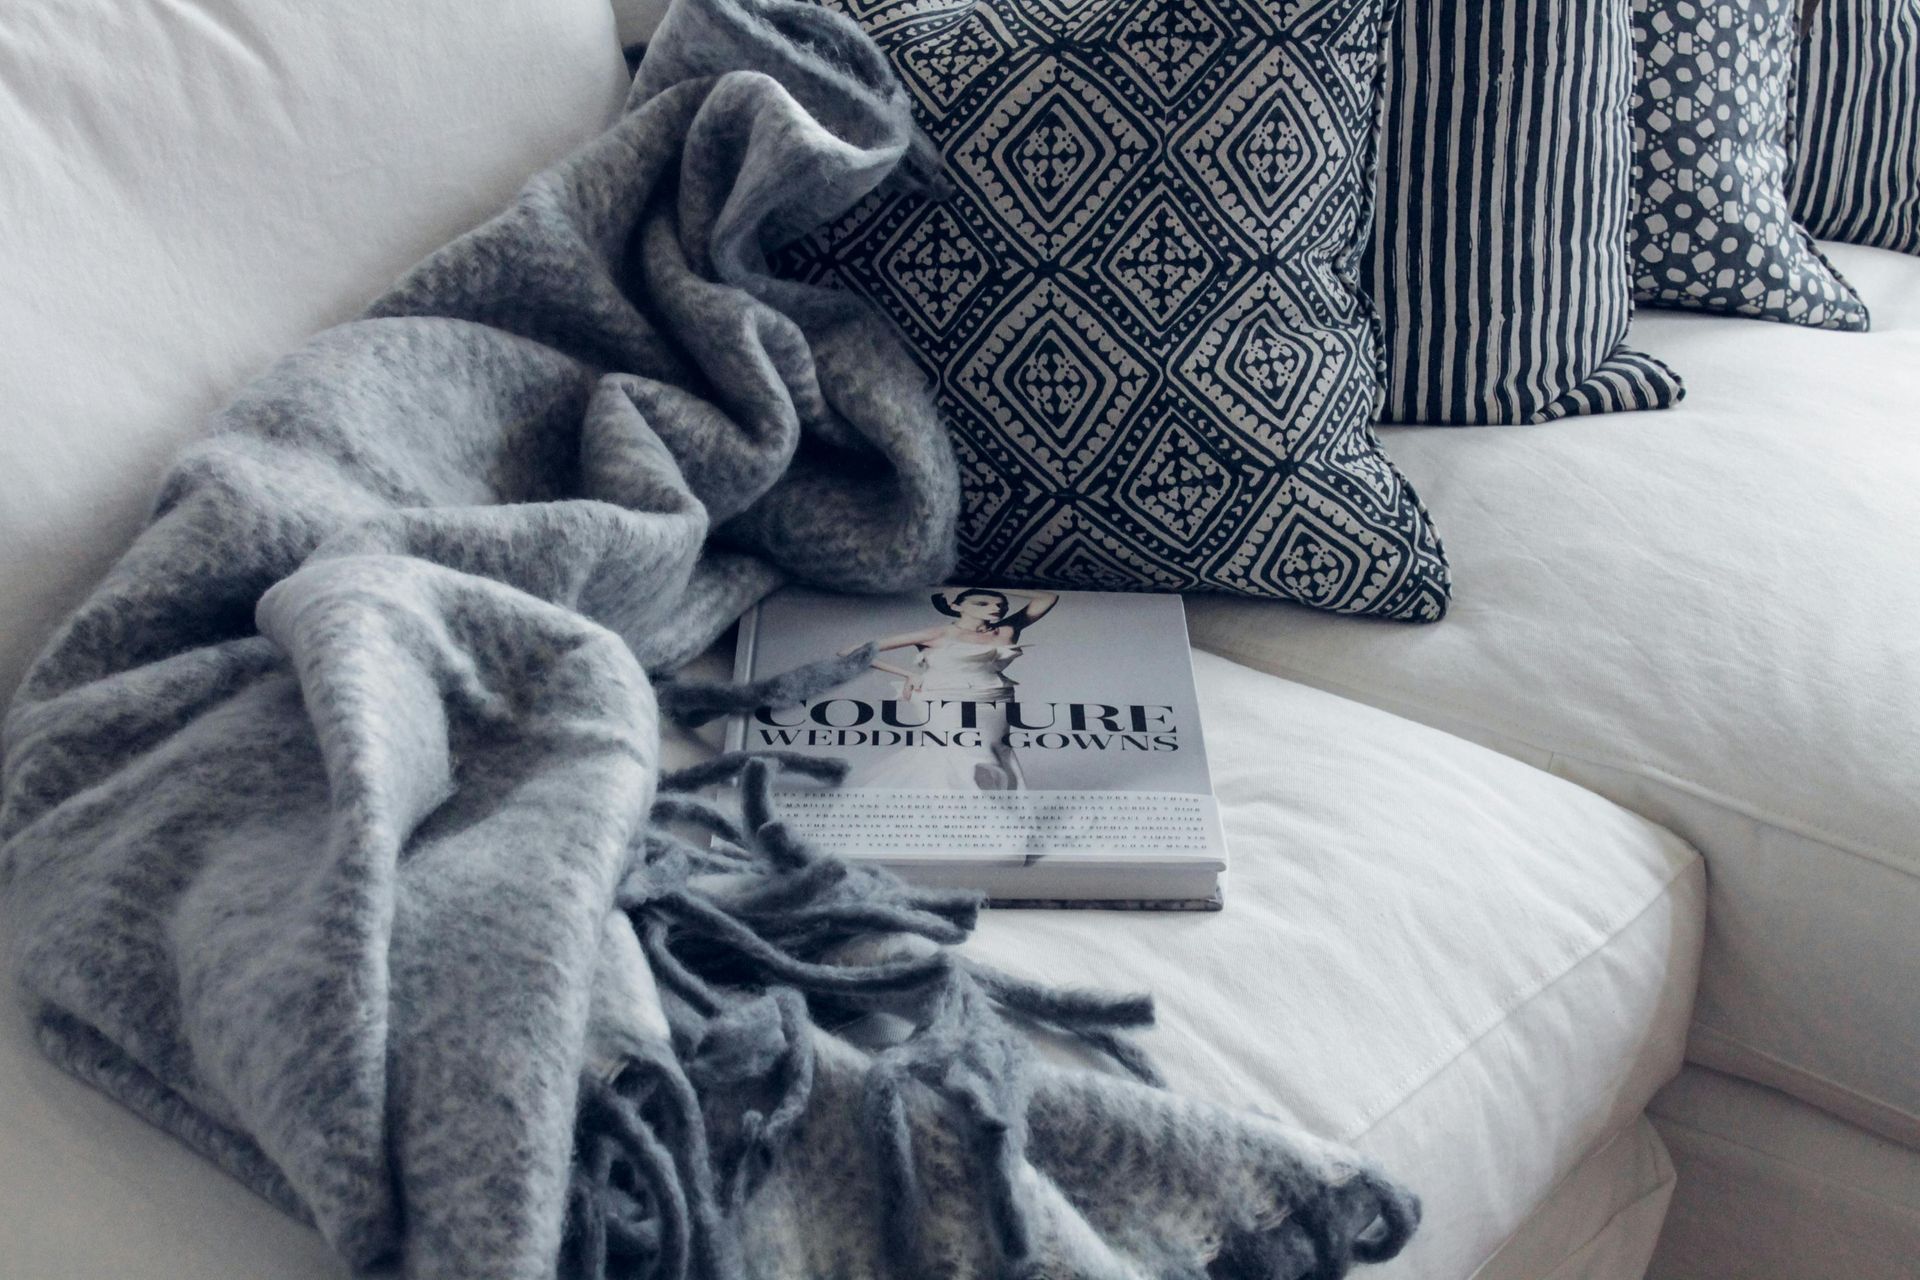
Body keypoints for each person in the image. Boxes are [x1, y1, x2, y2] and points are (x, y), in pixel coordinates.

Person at [841, 587, 1058, 790]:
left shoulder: (1008, 628)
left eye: (1002, 605)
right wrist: (909, 674)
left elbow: (1047, 598)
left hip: (996, 698)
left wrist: (990, 586)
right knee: (964, 755)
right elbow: (851, 651)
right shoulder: (936, 634)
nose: (995, 609)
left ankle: (985, 814)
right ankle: (951, 813)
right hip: (942, 697)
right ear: (956, 606)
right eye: (982, 603)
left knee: (996, 754)